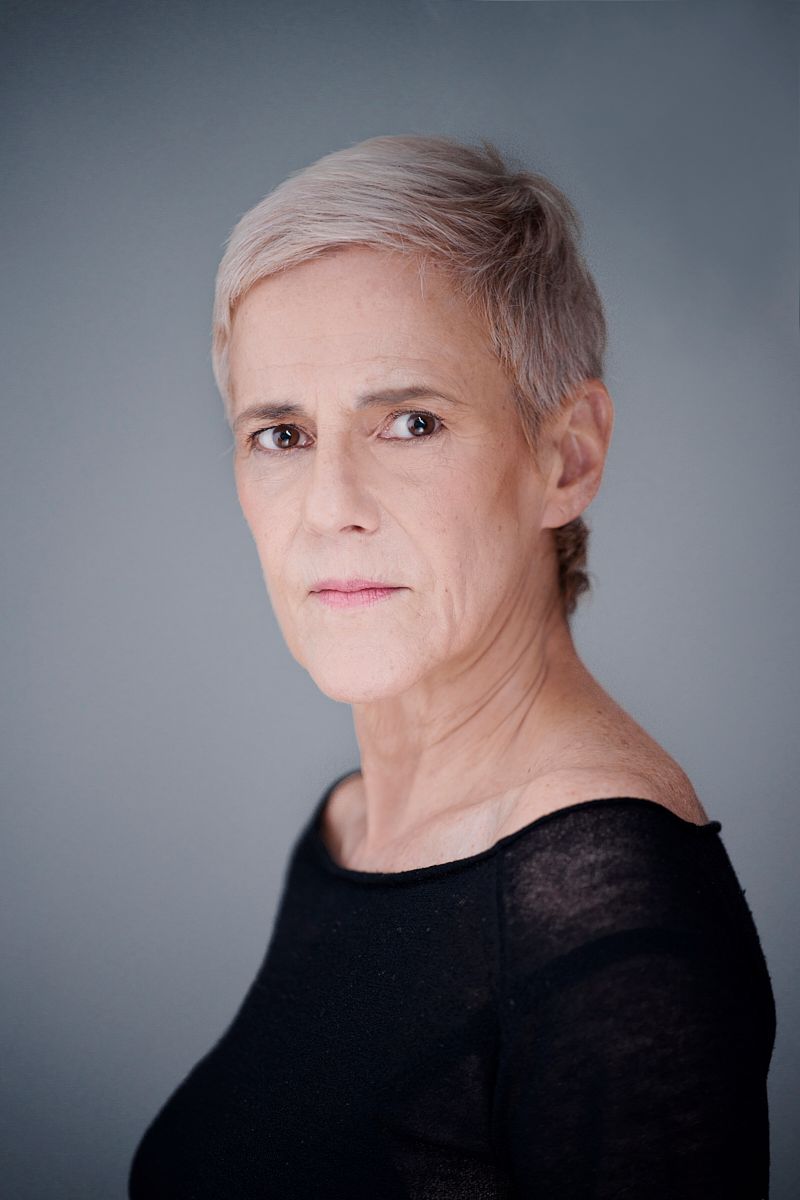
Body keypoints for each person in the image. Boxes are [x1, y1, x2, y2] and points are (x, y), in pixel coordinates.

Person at [128, 134, 776, 1198]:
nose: (330, 506)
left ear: (566, 456)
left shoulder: (607, 921)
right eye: (280, 434)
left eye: (410, 422)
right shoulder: (356, 826)